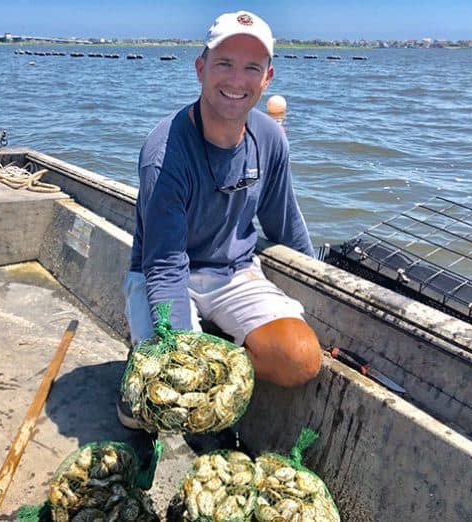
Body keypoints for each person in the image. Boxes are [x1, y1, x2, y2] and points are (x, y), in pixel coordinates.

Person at [119, 10, 321, 427]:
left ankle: (219, 350)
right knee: (167, 402)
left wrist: (324, 290)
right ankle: (141, 372)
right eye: (224, 63)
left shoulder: (270, 139)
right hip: (163, 273)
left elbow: (285, 223)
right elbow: (163, 264)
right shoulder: (164, 155)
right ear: (201, 68)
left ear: (267, 78)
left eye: (251, 67)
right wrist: (183, 352)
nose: (236, 80)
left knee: (301, 360)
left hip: (236, 272)